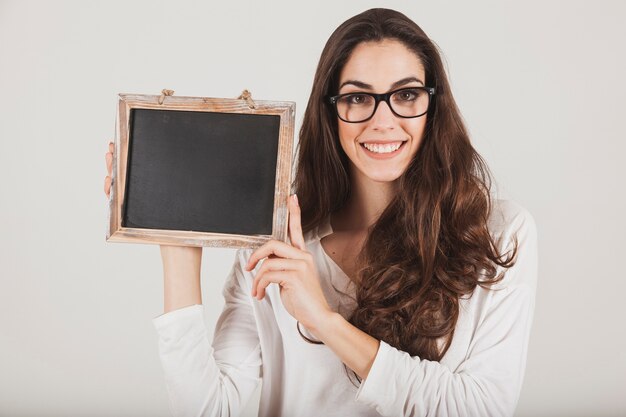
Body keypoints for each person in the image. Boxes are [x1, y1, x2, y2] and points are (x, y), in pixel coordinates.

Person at [104, 8, 537, 417]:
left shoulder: (497, 235)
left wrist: (324, 321)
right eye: (357, 98)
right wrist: (176, 240)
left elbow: (479, 408)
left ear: (434, 106)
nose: (383, 121)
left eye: (406, 95)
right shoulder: (275, 248)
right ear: (330, 113)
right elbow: (210, 409)